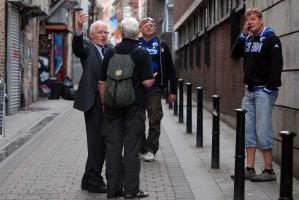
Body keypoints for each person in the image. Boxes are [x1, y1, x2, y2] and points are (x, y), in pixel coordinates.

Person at [99, 17, 154, 199]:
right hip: (135, 107)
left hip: (112, 107)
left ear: (121, 33)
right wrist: (151, 77)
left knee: (113, 148)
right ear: (137, 33)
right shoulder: (142, 53)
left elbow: (102, 82)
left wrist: (104, 102)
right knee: (131, 148)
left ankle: (113, 189)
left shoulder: (110, 52)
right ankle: (131, 190)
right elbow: (147, 82)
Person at [231, 7, 283, 182]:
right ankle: (250, 168)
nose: (249, 23)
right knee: (248, 131)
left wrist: (269, 88)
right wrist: (243, 35)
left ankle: (269, 171)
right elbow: (235, 54)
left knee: (263, 130)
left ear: (261, 20)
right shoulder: (248, 39)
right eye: (248, 20)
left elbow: (277, 65)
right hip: (250, 91)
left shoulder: (271, 39)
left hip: (264, 91)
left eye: (253, 19)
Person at [72, 10, 112, 192]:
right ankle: (95, 181)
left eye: (106, 32)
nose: (104, 36)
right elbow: (77, 48)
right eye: (101, 32)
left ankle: (88, 179)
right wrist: (79, 28)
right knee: (97, 142)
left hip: (107, 101)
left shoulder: (109, 50)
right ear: (91, 35)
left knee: (101, 141)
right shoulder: (87, 48)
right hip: (93, 101)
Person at [138, 17, 177, 162]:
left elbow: (171, 69)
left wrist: (173, 91)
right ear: (140, 28)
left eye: (151, 25)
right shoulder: (136, 44)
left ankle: (151, 149)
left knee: (154, 118)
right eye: (146, 25)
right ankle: (141, 148)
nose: (149, 26)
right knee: (138, 120)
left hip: (154, 89)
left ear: (155, 29)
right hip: (138, 89)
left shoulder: (161, 45)